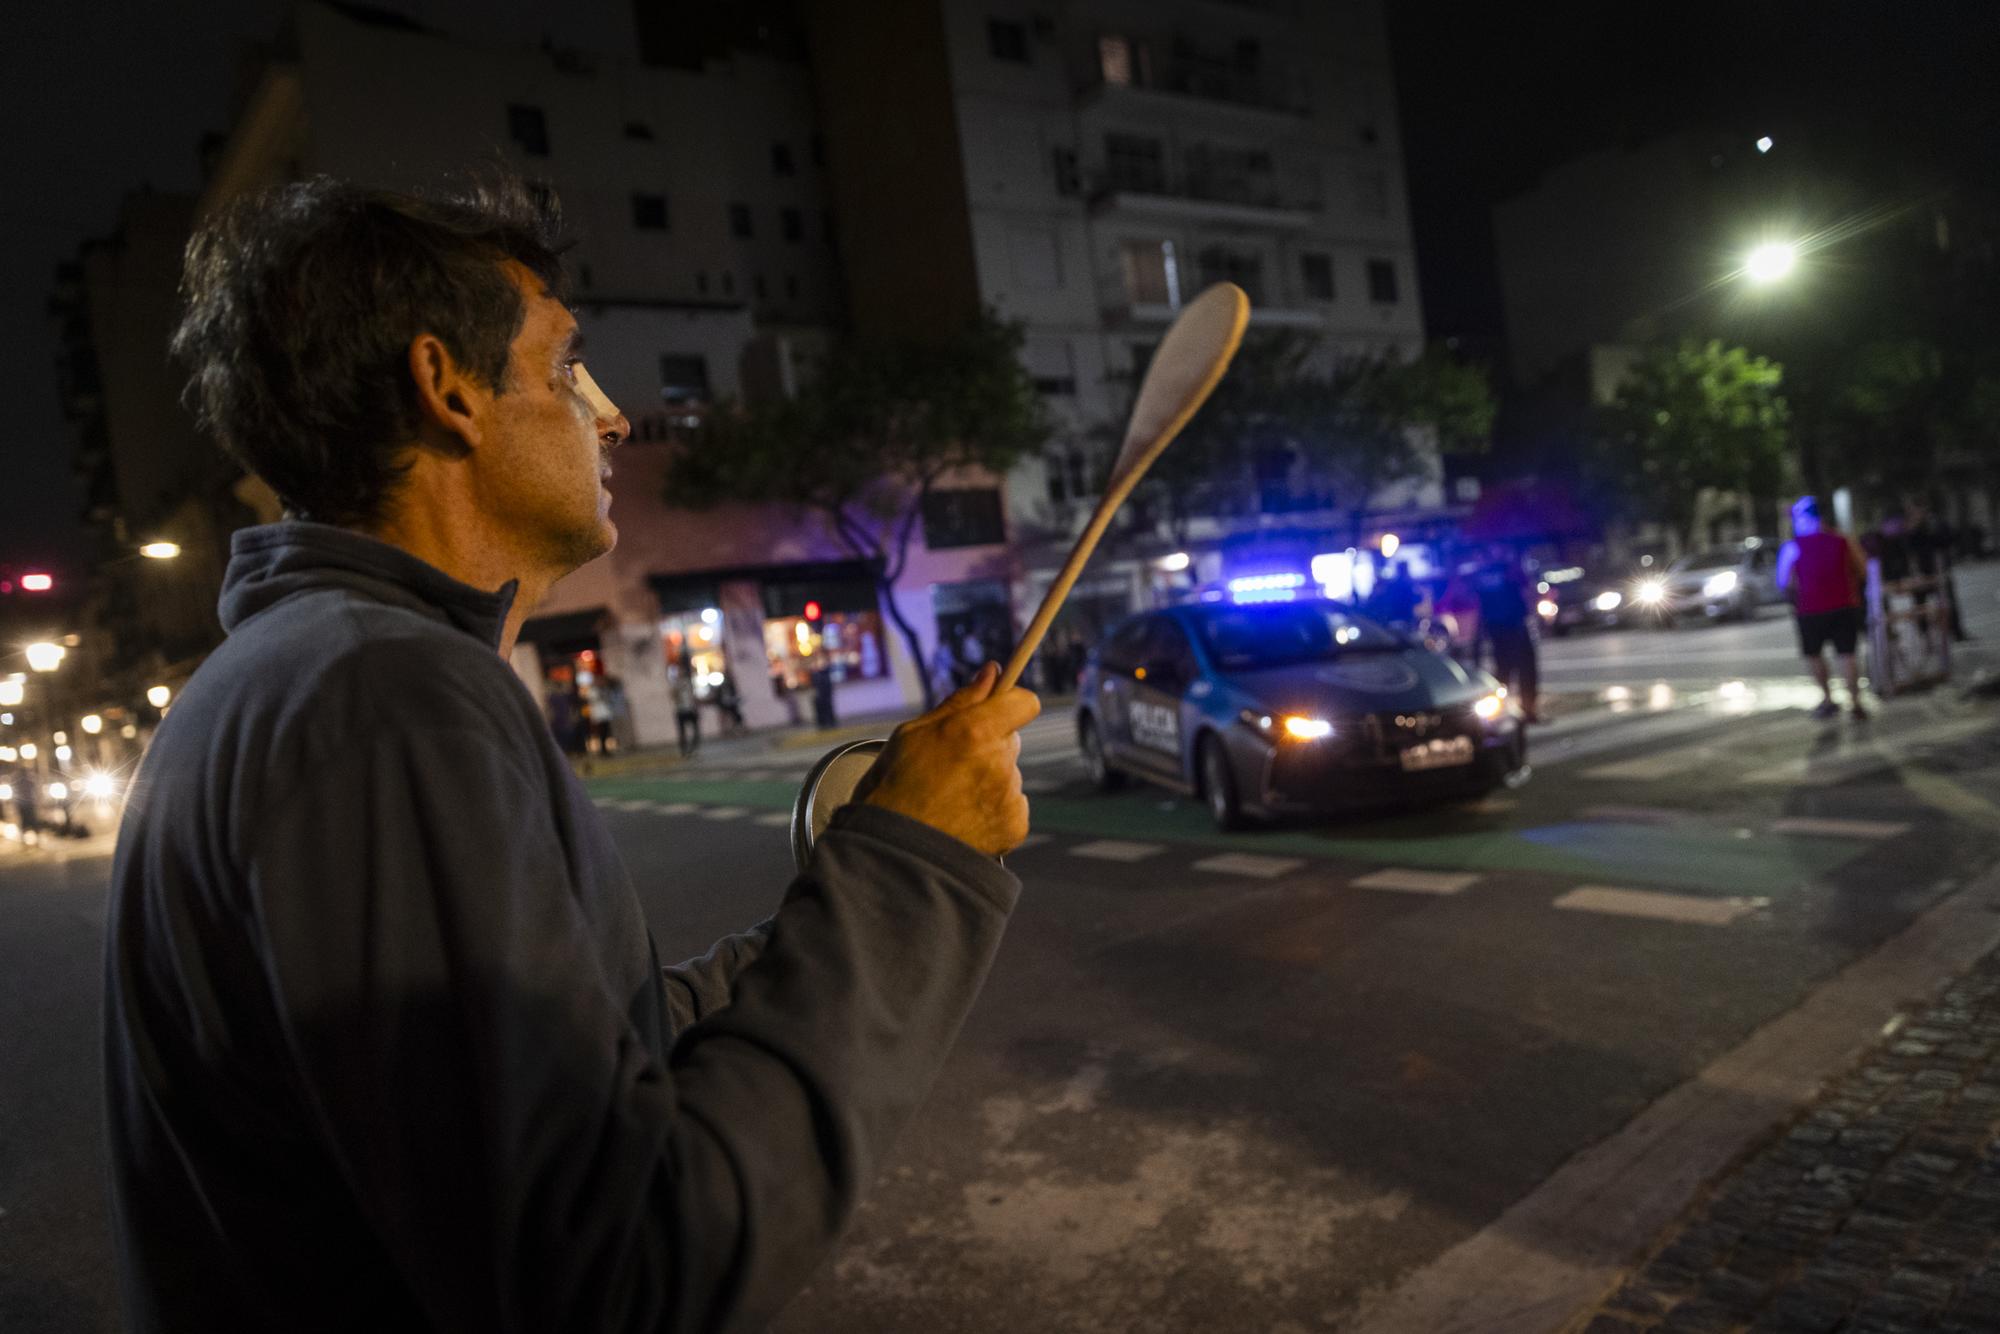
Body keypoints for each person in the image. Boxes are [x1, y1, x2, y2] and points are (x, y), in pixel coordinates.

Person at [105, 174, 1039, 1334]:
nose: (611, 417)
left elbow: (595, 1042)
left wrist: (868, 874)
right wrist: (911, 869)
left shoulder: (303, 675)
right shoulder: (388, 701)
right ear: (447, 387)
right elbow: (613, 1274)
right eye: (564, 367)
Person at [1776, 494, 1869, 720]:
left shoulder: (1792, 547)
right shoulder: (1842, 541)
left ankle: (1828, 700)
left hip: (1809, 610)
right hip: (1844, 606)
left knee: (1815, 655)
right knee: (1847, 654)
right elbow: (1862, 570)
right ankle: (1855, 702)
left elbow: (1783, 581)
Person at [1471, 546, 1541, 721]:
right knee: (1524, 669)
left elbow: (1479, 603)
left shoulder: (1482, 574)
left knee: (1503, 671)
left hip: (1496, 628)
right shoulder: (1509, 569)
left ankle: (1499, 712)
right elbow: (1527, 589)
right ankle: (1526, 710)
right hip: (1514, 625)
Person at [670, 662, 701, 757]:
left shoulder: (689, 682)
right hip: (681, 710)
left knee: (696, 730)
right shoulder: (675, 684)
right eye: (679, 671)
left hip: (690, 709)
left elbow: (693, 695)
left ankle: (693, 748)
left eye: (682, 671)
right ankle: (684, 750)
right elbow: (673, 696)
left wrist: (695, 706)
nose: (681, 673)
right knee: (682, 732)